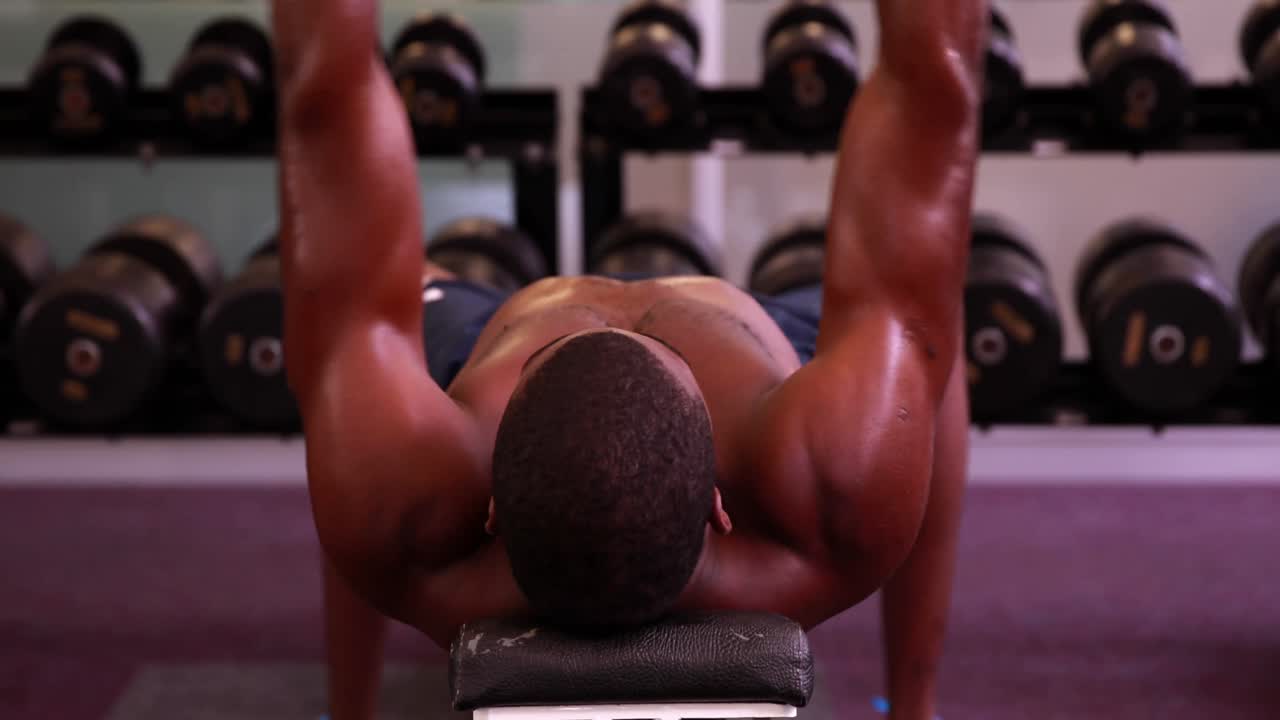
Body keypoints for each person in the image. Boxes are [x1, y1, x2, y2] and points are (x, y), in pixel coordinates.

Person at [270, 0, 985, 718]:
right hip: (766, 340)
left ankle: (350, 709)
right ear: (719, 504)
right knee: (920, 350)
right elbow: (933, 88)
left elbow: (325, 95)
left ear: (490, 507)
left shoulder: (400, 502)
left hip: (476, 344)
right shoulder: (834, 485)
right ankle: (915, 704)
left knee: (357, 363)